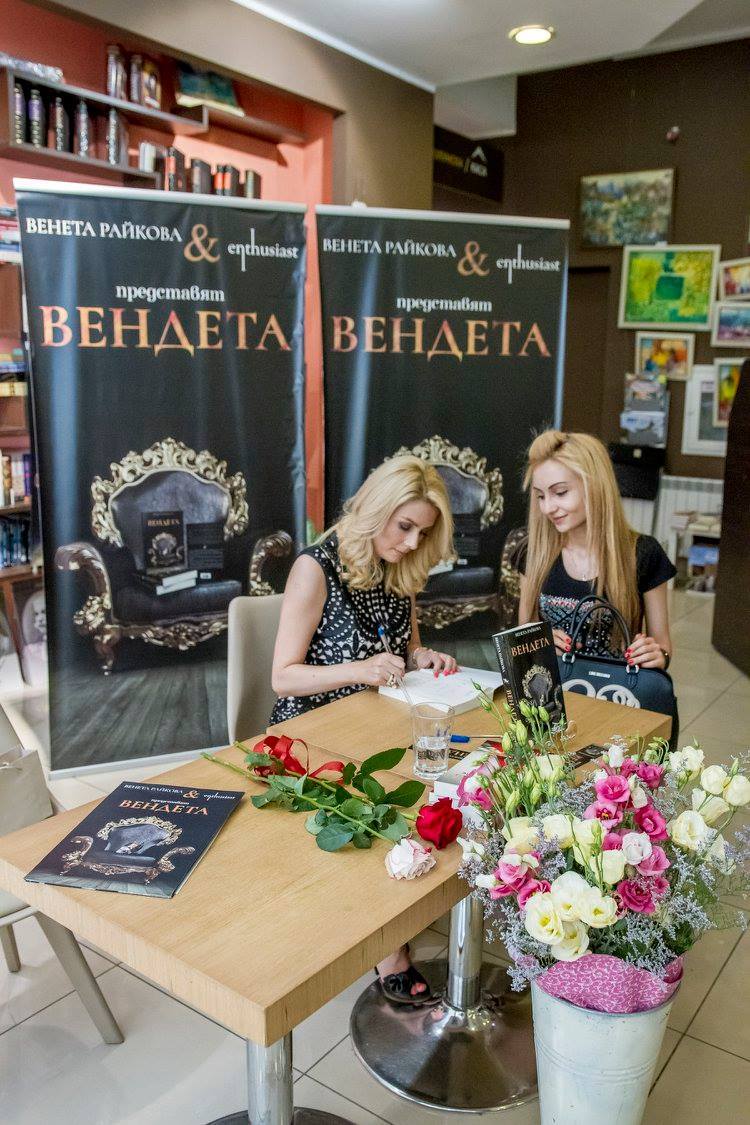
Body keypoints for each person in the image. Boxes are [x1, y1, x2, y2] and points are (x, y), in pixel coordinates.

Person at [271, 455, 458, 1004]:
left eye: (423, 532)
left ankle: (399, 903)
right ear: (376, 511)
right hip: (313, 737)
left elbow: (406, 646)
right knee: (393, 798)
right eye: (404, 527)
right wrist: (360, 670)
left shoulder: (400, 568)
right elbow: (283, 677)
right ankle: (389, 947)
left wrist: (424, 658)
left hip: (376, 725)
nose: (411, 542)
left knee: (445, 781)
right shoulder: (316, 568)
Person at [519, 430, 675, 668]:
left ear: (594, 486)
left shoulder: (643, 553)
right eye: (540, 496)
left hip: (617, 687)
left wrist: (657, 656)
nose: (548, 507)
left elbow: (662, 647)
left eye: (560, 493)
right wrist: (539, 643)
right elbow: (522, 639)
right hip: (552, 687)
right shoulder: (534, 551)